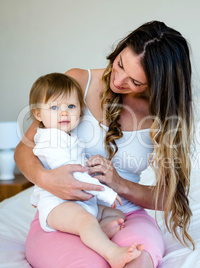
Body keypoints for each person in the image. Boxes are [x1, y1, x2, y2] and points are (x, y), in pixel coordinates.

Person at [15, 20, 195, 268]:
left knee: (137, 259)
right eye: (120, 64)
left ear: (157, 84)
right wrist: (48, 180)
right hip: (64, 211)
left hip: (124, 213)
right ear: (119, 49)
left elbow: (169, 197)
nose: (119, 80)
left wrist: (119, 184)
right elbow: (24, 149)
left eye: (135, 82)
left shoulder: (165, 116)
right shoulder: (78, 81)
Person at [27, 72, 144, 268]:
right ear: (38, 114)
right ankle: (112, 253)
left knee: (117, 216)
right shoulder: (50, 141)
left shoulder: (67, 137)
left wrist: (93, 164)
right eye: (54, 107)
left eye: (71, 106)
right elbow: (73, 175)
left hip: (78, 202)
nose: (64, 113)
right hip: (58, 204)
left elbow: (78, 166)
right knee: (85, 221)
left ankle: (94, 233)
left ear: (80, 109)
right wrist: (106, 192)